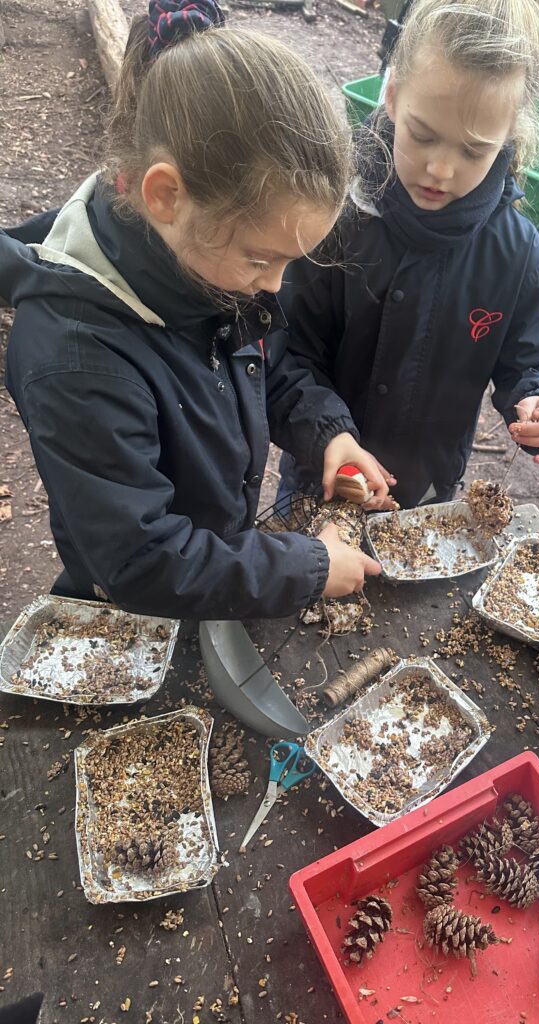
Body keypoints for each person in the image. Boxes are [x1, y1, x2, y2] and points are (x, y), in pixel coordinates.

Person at [0, 0, 393, 621]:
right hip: (134, 611)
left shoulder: (204, 265)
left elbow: (266, 361)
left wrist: (327, 434)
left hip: (222, 571)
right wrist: (308, 566)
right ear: (164, 196)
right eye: (263, 259)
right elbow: (140, 557)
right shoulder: (75, 355)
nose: (274, 286)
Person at [277, 0, 539, 508]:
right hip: (319, 481)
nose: (440, 169)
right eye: (423, 136)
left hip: (428, 497)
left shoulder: (515, 250)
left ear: (507, 137)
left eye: (473, 150)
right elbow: (283, 349)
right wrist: (327, 433)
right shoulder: (337, 217)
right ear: (393, 97)